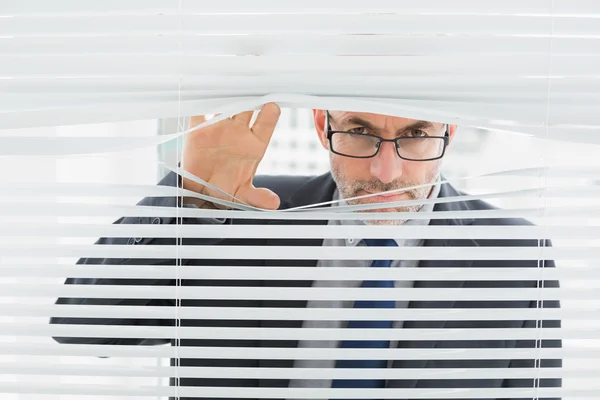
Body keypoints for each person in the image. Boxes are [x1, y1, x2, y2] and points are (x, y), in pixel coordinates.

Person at [50, 104, 561, 400]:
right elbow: (87, 327)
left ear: (450, 130)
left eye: (416, 135)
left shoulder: (517, 256)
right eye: (360, 133)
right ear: (322, 126)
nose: (386, 173)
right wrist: (189, 196)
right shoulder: (237, 209)